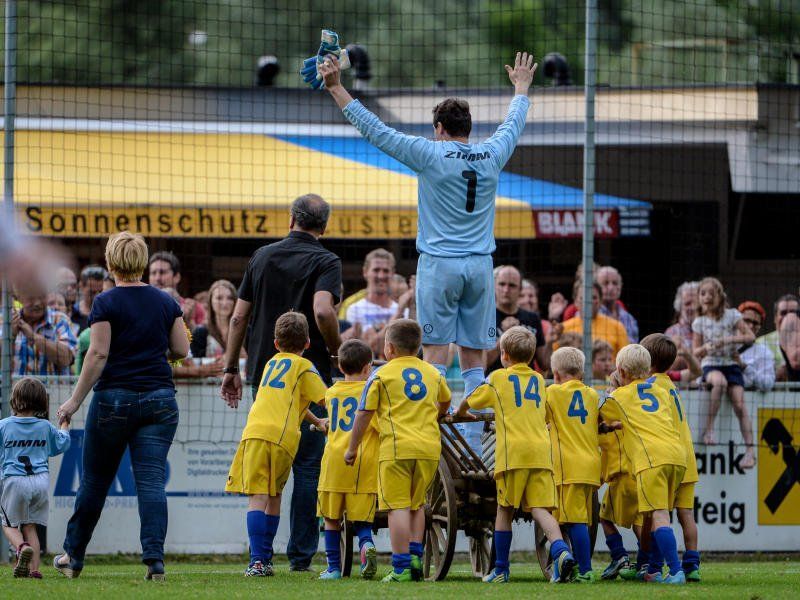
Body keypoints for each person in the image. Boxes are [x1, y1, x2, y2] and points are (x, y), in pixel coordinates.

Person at [319, 51, 537, 404]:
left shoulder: (430, 153)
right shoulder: (493, 153)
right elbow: (513, 124)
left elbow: (376, 130)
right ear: (468, 128)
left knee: (435, 352)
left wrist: (336, 88)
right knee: (473, 356)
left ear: (439, 129)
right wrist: (522, 87)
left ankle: (429, 431)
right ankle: (472, 438)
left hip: (439, 264)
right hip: (481, 266)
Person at [54, 232, 190, 581]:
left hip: (114, 398)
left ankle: (74, 557)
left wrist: (73, 401)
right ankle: (155, 562)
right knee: (151, 481)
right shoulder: (165, 302)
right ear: (143, 263)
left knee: (96, 481)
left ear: (111, 263)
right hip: (160, 399)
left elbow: (98, 354)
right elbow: (181, 351)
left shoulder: (105, 302)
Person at [220, 193, 342, 572]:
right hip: (311, 373)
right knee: (307, 469)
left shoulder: (262, 256)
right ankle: (301, 557)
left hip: (265, 374)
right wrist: (337, 352)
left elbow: (238, 318)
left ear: (291, 219)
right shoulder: (327, 260)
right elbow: (323, 310)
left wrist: (230, 368)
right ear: (323, 227)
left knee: (268, 475)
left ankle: (261, 557)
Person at [456, 326, 576, 583]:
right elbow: (544, 415)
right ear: (532, 355)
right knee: (541, 509)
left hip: (514, 455)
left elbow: (474, 396)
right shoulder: (539, 381)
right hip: (542, 453)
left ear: (504, 355)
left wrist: (460, 411)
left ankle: (501, 569)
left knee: (504, 510)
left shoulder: (499, 378)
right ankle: (561, 551)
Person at [345, 320, 451, 582]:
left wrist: (352, 448)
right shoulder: (433, 373)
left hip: (396, 449)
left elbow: (363, 414)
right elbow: (446, 399)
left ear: (389, 348)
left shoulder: (380, 376)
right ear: (418, 348)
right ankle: (415, 558)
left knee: (397, 508)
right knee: (418, 506)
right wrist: (439, 414)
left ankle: (401, 567)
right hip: (428, 449)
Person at [224, 312, 328, 577]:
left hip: (254, 433)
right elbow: (326, 398)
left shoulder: (271, 363)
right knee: (271, 496)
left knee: (259, 496)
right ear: (307, 343)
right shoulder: (304, 366)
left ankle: (260, 560)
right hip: (282, 439)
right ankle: (261, 561)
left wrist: (316, 420)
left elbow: (292, 399)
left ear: (275, 343)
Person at [600, 344, 687, 584]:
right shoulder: (660, 390)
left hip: (651, 459)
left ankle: (677, 571)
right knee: (658, 513)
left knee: (659, 516)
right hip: (677, 456)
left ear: (620, 371)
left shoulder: (620, 396)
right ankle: (653, 569)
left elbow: (599, 415)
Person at [641, 334, 701, 582]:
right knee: (687, 514)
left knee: (659, 514)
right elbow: (694, 374)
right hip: (687, 456)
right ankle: (692, 565)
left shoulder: (649, 387)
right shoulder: (670, 383)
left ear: (646, 360)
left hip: (667, 454)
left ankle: (655, 567)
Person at [316, 339, 378, 580]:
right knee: (361, 519)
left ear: (340, 368)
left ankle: (333, 568)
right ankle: (366, 544)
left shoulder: (331, 393)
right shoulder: (371, 393)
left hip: (334, 462)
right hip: (363, 462)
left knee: (331, 518)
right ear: (367, 368)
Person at [0, 377, 71, 579]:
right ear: (42, 402)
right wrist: (64, 425)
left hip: (14, 480)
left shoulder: (4, 426)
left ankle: (21, 548)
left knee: (9, 525)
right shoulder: (45, 427)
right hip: (40, 480)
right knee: (30, 526)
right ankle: (35, 570)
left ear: (14, 399)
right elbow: (62, 444)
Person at [546, 346, 601, 582]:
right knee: (576, 518)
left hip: (568, 465)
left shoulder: (553, 393)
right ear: (581, 372)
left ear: (556, 375)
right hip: (590, 463)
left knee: (573, 520)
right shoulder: (592, 395)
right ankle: (564, 570)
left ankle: (585, 571)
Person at [691, 277, 756, 468]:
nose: (707, 297)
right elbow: (695, 351)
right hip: (711, 364)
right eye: (703, 293)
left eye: (712, 293)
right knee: (719, 383)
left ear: (720, 296)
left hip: (731, 363)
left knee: (739, 403)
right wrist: (706, 348)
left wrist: (727, 341)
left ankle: (750, 451)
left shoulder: (732, 315)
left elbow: (750, 336)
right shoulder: (699, 322)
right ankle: (709, 430)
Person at [5, 283, 77, 376]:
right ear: (18, 299)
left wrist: (33, 337)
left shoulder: (60, 320)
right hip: (15, 389)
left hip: (53, 389)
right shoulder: (6, 321)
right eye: (31, 298)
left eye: (42, 297)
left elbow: (67, 358)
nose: (37, 303)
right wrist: (10, 337)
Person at [345, 248, 398, 356]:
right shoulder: (354, 309)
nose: (381, 276)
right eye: (376, 270)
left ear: (392, 273)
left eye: (386, 271)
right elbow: (360, 349)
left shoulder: (401, 310)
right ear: (365, 272)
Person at [186, 280, 242, 377]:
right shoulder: (200, 332)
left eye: (229, 298)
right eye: (219, 298)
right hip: (205, 386)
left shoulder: (245, 330)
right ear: (210, 301)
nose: (225, 303)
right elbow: (194, 363)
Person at [561, 282, 628, 357]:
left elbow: (625, 361)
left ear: (600, 301)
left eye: (594, 297)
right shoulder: (563, 328)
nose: (589, 301)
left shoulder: (617, 327)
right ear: (575, 302)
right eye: (583, 297)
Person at [148, 251, 206, 328]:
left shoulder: (195, 308)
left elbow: (202, 339)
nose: (157, 278)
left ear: (177, 277)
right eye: (153, 273)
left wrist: (189, 323)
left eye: (162, 272)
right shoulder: (140, 306)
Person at [736, 301, 776, 391]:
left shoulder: (764, 352)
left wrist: (744, 367)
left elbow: (768, 384)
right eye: (746, 320)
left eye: (755, 323)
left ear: (759, 327)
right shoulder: (723, 344)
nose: (750, 326)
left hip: (748, 401)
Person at [758, 294, 800, 375]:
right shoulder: (761, 342)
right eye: (784, 313)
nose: (789, 317)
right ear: (775, 318)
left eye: (794, 312)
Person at [597, 266, 639, 343]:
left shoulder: (629, 319)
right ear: (596, 287)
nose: (611, 287)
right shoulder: (588, 316)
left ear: (620, 287)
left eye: (615, 283)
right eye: (605, 283)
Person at [72, 265, 108, 333]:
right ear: (81, 286)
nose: (97, 297)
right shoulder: (72, 313)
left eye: (101, 292)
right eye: (92, 292)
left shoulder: (111, 315)